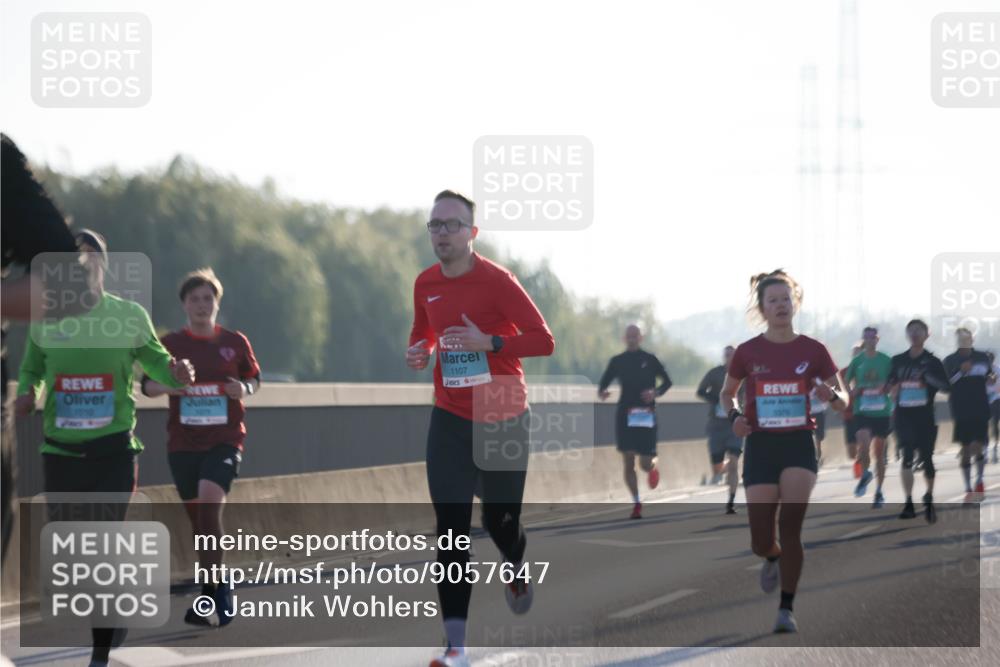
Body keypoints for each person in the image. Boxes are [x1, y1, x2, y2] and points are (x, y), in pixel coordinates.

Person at [15, 230, 196, 667]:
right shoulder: (46, 319)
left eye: (90, 256)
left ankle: (98, 654)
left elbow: (156, 364)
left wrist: (178, 374)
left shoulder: (128, 316)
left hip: (113, 451)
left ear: (104, 265)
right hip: (60, 452)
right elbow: (30, 373)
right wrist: (24, 397)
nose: (82, 263)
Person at [406, 191, 554, 667]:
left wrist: (488, 341)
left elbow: (543, 341)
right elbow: (423, 330)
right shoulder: (425, 282)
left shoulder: (497, 281)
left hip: (502, 409)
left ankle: (514, 562)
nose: (442, 233)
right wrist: (420, 350)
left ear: (473, 233)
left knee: (500, 523)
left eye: (452, 225)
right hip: (449, 414)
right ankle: (455, 647)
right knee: (450, 532)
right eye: (435, 225)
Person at [719, 269, 847, 634]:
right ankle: (771, 557)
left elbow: (844, 399)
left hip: (797, 444)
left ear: (796, 304)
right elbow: (727, 393)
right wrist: (735, 417)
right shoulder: (747, 352)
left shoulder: (814, 350)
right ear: (761, 308)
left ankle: (786, 607)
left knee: (790, 528)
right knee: (761, 539)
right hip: (760, 444)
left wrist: (832, 395)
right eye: (772, 300)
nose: (780, 305)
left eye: (786, 299)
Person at [141, 268, 260, 627]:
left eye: (208, 298)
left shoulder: (235, 342)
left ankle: (212, 593)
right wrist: (168, 388)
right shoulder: (170, 344)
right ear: (184, 305)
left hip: (224, 439)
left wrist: (245, 390)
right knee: (200, 522)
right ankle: (217, 587)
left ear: (217, 302)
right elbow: (146, 385)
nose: (201, 305)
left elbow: (254, 377)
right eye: (194, 299)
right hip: (183, 444)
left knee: (210, 505)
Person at [598, 324, 673, 519]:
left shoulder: (650, 359)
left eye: (635, 336)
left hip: (646, 414)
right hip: (625, 414)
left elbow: (667, 382)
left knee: (645, 464)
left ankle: (653, 468)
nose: (631, 339)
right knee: (628, 459)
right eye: (629, 336)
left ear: (641, 338)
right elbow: (603, 383)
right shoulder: (617, 361)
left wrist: (654, 392)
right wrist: (603, 392)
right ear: (624, 339)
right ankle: (637, 502)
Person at [886, 319, 949, 523]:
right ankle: (908, 502)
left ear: (926, 335)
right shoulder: (897, 360)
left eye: (919, 331)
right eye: (911, 331)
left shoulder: (933, 361)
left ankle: (929, 496)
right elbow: (888, 384)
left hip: (925, 415)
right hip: (903, 415)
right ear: (907, 334)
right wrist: (891, 389)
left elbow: (946, 387)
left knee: (928, 460)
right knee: (906, 456)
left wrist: (927, 378)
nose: (915, 334)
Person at [943, 328, 996, 502]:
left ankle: (979, 480)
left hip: (980, 407)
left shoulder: (982, 357)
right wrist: (961, 372)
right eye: (960, 338)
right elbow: (945, 386)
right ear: (956, 340)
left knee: (978, 446)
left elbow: (989, 374)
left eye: (967, 337)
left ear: (972, 339)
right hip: (961, 409)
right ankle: (967, 488)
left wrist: (992, 378)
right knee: (966, 450)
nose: (964, 340)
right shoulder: (951, 360)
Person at [844, 327, 893, 508]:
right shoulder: (857, 361)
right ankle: (865, 474)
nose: (870, 340)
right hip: (862, 410)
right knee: (863, 446)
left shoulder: (886, 359)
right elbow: (845, 381)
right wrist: (852, 391)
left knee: (879, 454)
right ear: (864, 339)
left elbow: (893, 380)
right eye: (867, 337)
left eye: (873, 337)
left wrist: (886, 386)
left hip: (881, 411)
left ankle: (879, 491)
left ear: (877, 339)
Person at [696, 345, 742, 514]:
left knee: (735, 463)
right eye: (727, 355)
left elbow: (752, 393)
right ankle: (725, 466)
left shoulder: (744, 374)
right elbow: (700, 391)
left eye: (733, 355)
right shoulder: (715, 373)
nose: (729, 357)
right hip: (716, 425)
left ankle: (731, 501)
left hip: (735, 424)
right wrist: (717, 399)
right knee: (717, 467)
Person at [842, 344, 864, 480]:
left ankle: (862, 467)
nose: (857, 356)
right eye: (855, 353)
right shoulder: (844, 372)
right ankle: (858, 460)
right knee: (851, 450)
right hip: (849, 413)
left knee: (863, 441)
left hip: (865, 412)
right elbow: (837, 389)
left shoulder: (869, 370)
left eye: (859, 353)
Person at [986, 351, 999, 464]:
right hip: (984, 400)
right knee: (984, 425)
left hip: (996, 399)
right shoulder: (981, 370)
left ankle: (994, 448)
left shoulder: (998, 370)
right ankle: (985, 451)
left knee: (994, 424)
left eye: (990, 359)